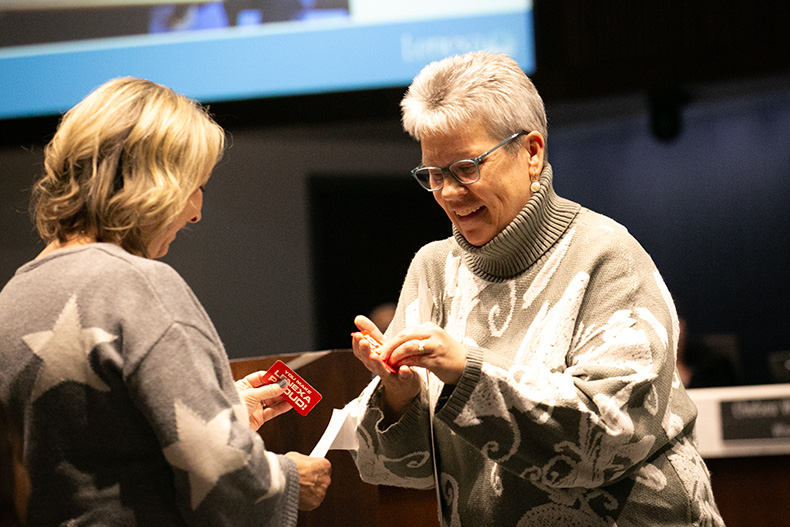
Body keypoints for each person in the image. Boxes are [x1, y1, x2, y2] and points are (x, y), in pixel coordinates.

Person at [348, 52, 723, 526]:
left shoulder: (607, 255)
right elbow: (404, 471)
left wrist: (466, 373)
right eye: (434, 175)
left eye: (466, 168)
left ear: (531, 152)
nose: (447, 192)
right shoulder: (433, 268)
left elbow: (607, 438)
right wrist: (398, 395)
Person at [0, 77, 330, 526]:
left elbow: (88, 451)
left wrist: (224, 410)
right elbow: (223, 479)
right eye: (196, 186)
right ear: (153, 182)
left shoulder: (13, 296)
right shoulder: (139, 285)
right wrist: (291, 479)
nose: (196, 212)